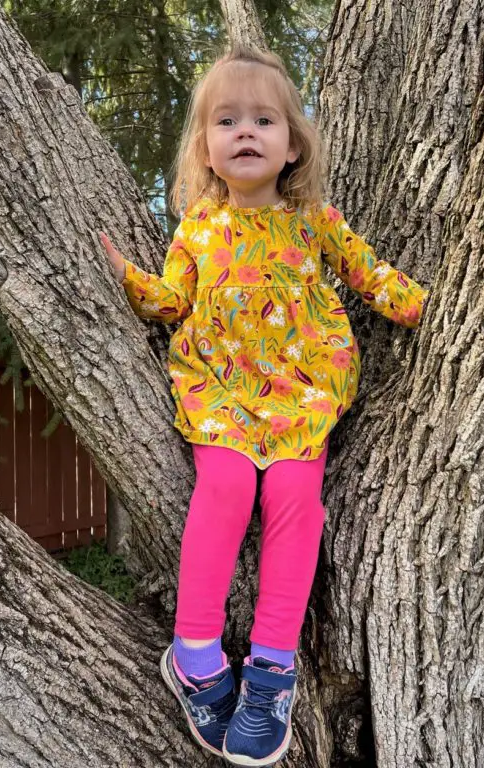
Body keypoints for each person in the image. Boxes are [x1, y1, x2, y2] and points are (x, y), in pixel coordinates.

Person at [99, 43, 428, 767]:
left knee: (293, 498)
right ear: (206, 149)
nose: (245, 131)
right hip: (221, 387)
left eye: (263, 120)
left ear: (291, 146)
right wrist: (128, 278)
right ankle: (194, 653)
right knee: (222, 488)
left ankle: (271, 668)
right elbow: (173, 299)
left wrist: (426, 307)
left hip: (300, 391)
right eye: (226, 121)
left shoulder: (314, 220)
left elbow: (370, 275)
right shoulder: (197, 227)